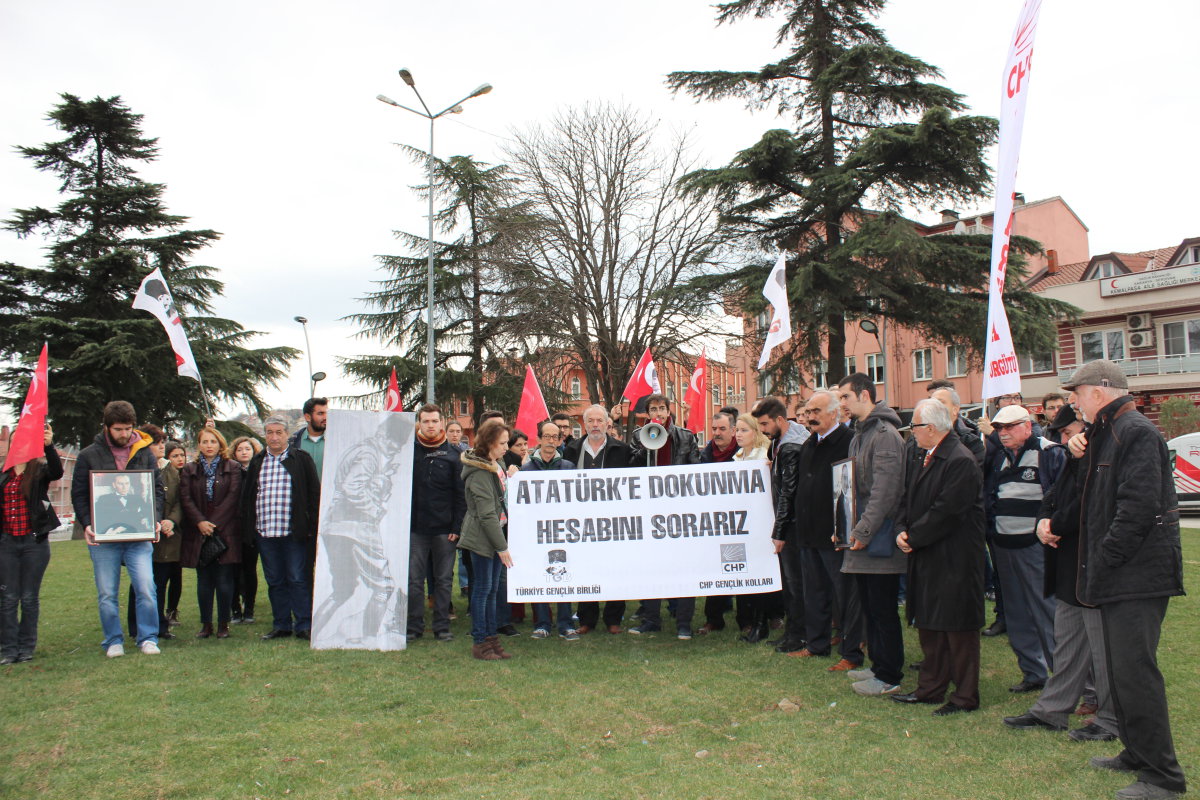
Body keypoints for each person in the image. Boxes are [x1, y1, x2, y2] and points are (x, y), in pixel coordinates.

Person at [1064, 361, 1186, 799]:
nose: (1073, 402)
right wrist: (1080, 454)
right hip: (1120, 572)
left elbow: (1136, 508)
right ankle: (1136, 752)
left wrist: (1104, 560)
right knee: (1120, 671)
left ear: (1100, 391)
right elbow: (1091, 500)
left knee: (1136, 674)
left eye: (1077, 393)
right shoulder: (1106, 433)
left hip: (1137, 573)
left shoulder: (1135, 431)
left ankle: (1163, 777)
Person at [1004, 403, 1120, 742]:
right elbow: (1056, 493)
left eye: (1069, 433)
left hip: (1090, 558)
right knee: (1067, 640)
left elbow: (1090, 502)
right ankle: (1052, 710)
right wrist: (1044, 519)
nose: (1067, 440)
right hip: (1068, 557)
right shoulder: (1073, 455)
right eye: (1065, 434)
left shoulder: (1103, 449)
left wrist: (1053, 523)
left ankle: (1108, 715)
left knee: (1100, 646)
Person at [893, 399, 986, 717]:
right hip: (927, 555)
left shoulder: (960, 460)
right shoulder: (925, 455)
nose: (912, 433)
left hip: (954, 559)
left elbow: (947, 511)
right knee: (930, 625)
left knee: (957, 630)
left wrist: (913, 537)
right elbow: (908, 497)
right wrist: (902, 529)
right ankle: (930, 688)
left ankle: (964, 696)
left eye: (915, 427)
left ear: (931, 428)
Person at [772, 391, 862, 667]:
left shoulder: (848, 442)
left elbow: (849, 490)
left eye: (816, 411)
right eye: (808, 412)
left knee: (844, 596)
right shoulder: (810, 444)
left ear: (834, 413)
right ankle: (816, 644)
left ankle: (851, 651)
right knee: (814, 593)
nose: (810, 417)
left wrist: (844, 529)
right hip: (808, 533)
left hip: (835, 534)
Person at [71, 401, 165, 657]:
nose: (124, 434)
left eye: (128, 428)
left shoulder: (144, 452)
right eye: (119, 429)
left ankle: (148, 637)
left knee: (146, 587)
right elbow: (79, 494)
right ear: (106, 427)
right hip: (104, 536)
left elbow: (156, 490)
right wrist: (87, 524)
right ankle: (113, 640)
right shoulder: (88, 455)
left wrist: (155, 518)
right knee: (107, 592)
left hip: (139, 535)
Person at [984, 403, 1064, 694]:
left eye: (1009, 427)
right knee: (1016, 613)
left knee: (1046, 612)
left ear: (1027, 426)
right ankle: (1033, 673)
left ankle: (1064, 677)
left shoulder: (1049, 452)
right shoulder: (1000, 457)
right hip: (1004, 546)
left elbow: (1062, 497)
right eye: (998, 428)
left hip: (1035, 547)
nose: (1003, 433)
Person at [835, 373, 907, 696]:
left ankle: (889, 675)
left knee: (882, 610)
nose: (842, 405)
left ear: (864, 395)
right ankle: (878, 666)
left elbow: (885, 491)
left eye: (845, 397)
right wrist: (842, 526)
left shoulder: (885, 435)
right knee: (870, 608)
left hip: (879, 541)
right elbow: (849, 489)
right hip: (862, 539)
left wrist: (863, 529)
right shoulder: (858, 435)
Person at [241, 415, 320, 641]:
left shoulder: (301, 459)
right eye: (269, 433)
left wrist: (311, 527)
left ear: (287, 434)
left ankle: (304, 624)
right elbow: (247, 498)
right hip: (266, 531)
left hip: (294, 532)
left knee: (298, 578)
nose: (274, 437)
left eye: (279, 432)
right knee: (275, 580)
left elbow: (314, 494)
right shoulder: (258, 461)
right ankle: (281, 624)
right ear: (264, 435)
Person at [627, 393, 700, 639]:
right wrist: (646, 448)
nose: (657, 413)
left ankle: (683, 622)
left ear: (668, 411)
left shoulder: (685, 437)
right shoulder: (639, 437)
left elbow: (696, 473)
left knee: (684, 567)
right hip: (649, 512)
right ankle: (651, 619)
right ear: (647, 414)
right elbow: (631, 471)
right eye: (653, 410)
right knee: (649, 566)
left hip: (678, 511)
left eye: (661, 409)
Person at [564, 404, 632, 634]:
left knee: (616, 567)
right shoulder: (571, 450)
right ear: (584, 424)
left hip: (614, 520)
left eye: (599, 421)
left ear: (607, 424)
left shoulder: (622, 450)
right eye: (590, 421)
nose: (595, 425)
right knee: (585, 568)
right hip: (582, 521)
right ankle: (586, 619)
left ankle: (613, 618)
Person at [0, 423, 61, 664]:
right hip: (7, 543)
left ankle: (26, 647)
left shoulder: (39, 471)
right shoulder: (4, 474)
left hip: (33, 543)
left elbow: (57, 472)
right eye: (14, 440)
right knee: (7, 598)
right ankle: (8, 648)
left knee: (28, 597)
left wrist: (49, 445)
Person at [407, 404, 465, 642]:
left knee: (442, 580)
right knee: (413, 580)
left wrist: (456, 527)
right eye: (425, 421)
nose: (430, 425)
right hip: (415, 529)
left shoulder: (453, 455)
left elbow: (461, 495)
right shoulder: (408, 452)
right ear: (419, 423)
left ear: (442, 423)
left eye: (434, 421)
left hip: (444, 531)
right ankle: (413, 627)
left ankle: (442, 627)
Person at [458, 419, 514, 661]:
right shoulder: (480, 473)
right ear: (490, 443)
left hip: (493, 534)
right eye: (502, 443)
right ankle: (480, 641)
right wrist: (501, 547)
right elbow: (487, 513)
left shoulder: (496, 463)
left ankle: (492, 638)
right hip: (482, 537)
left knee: (491, 590)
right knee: (483, 590)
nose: (506, 447)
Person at [752, 396, 808, 640]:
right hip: (793, 522)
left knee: (795, 584)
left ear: (780, 419)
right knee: (793, 583)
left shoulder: (791, 447)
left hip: (794, 525)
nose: (763, 431)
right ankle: (795, 631)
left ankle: (796, 634)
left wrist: (780, 531)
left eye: (765, 425)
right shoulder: (782, 443)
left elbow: (789, 492)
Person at [180, 427, 243, 639]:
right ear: (199, 445)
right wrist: (200, 522)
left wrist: (212, 524)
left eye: (213, 442)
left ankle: (223, 624)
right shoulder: (190, 469)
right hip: (199, 531)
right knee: (204, 580)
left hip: (224, 530)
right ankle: (206, 624)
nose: (209, 446)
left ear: (220, 444)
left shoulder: (232, 467)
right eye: (205, 442)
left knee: (224, 580)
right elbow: (186, 498)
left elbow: (233, 497)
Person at [520, 420, 580, 641]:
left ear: (560, 440)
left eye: (556, 437)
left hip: (561, 530)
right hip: (536, 532)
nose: (551, 441)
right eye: (547, 436)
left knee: (563, 574)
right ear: (539, 438)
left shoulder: (568, 467)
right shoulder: (526, 470)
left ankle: (565, 624)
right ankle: (542, 623)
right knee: (540, 576)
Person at [129, 437, 184, 641]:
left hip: (167, 537)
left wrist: (171, 521)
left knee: (160, 582)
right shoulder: (135, 466)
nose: (161, 446)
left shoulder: (172, 471)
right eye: (156, 443)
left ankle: (160, 625)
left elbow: (179, 500)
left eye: (163, 443)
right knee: (140, 583)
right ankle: (135, 626)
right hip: (142, 533)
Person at [696, 411, 740, 636]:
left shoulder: (744, 454)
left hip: (740, 520)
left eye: (722, 429)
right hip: (713, 522)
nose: (717, 433)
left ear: (733, 431)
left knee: (741, 568)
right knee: (715, 570)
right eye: (714, 429)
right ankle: (713, 618)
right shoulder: (705, 455)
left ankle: (748, 620)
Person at [228, 436, 263, 624]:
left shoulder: (258, 471)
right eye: (240, 449)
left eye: (247, 449)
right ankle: (235, 609)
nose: (244, 452)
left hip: (252, 527)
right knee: (233, 570)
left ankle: (249, 608)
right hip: (233, 527)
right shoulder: (230, 472)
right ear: (234, 452)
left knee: (250, 569)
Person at [289, 397, 328, 481]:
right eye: (320, 413)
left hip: (329, 493)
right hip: (302, 494)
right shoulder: (293, 443)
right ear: (307, 417)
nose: (325, 417)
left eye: (327, 413)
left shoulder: (335, 442)